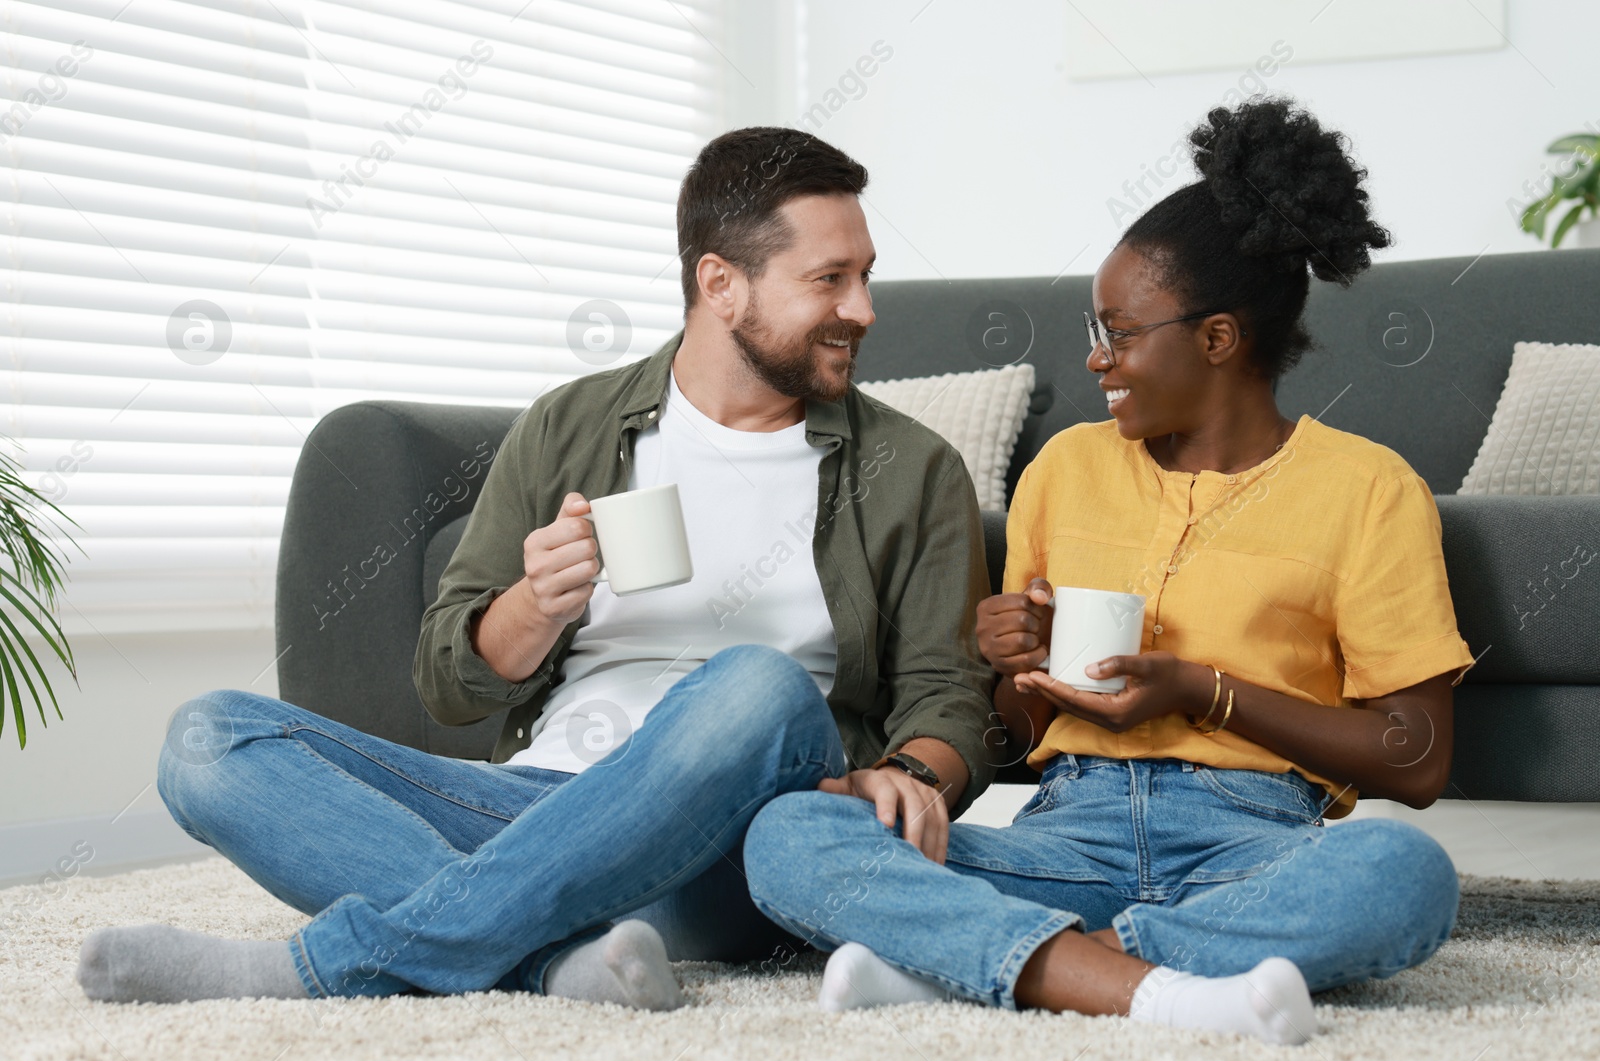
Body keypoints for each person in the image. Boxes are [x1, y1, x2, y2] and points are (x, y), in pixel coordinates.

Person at [75, 127, 997, 1007]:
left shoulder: (912, 469)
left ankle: (337, 964)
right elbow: (449, 679)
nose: (865, 310)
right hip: (533, 800)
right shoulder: (569, 425)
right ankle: (558, 963)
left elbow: (950, 694)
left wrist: (910, 770)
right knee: (207, 741)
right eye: (830, 280)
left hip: (732, 842)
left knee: (756, 685)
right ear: (721, 283)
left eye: (865, 276)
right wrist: (532, 606)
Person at [743, 97, 1473, 1046]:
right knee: (790, 835)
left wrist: (1203, 692)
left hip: (1253, 840)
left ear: (1217, 339)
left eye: (1122, 333)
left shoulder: (1370, 488)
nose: (1097, 358)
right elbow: (1012, 737)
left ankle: (1009, 962)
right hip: (1064, 829)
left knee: (1401, 873)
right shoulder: (1068, 469)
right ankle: (1152, 975)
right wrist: (1015, 667)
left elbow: (1417, 760)